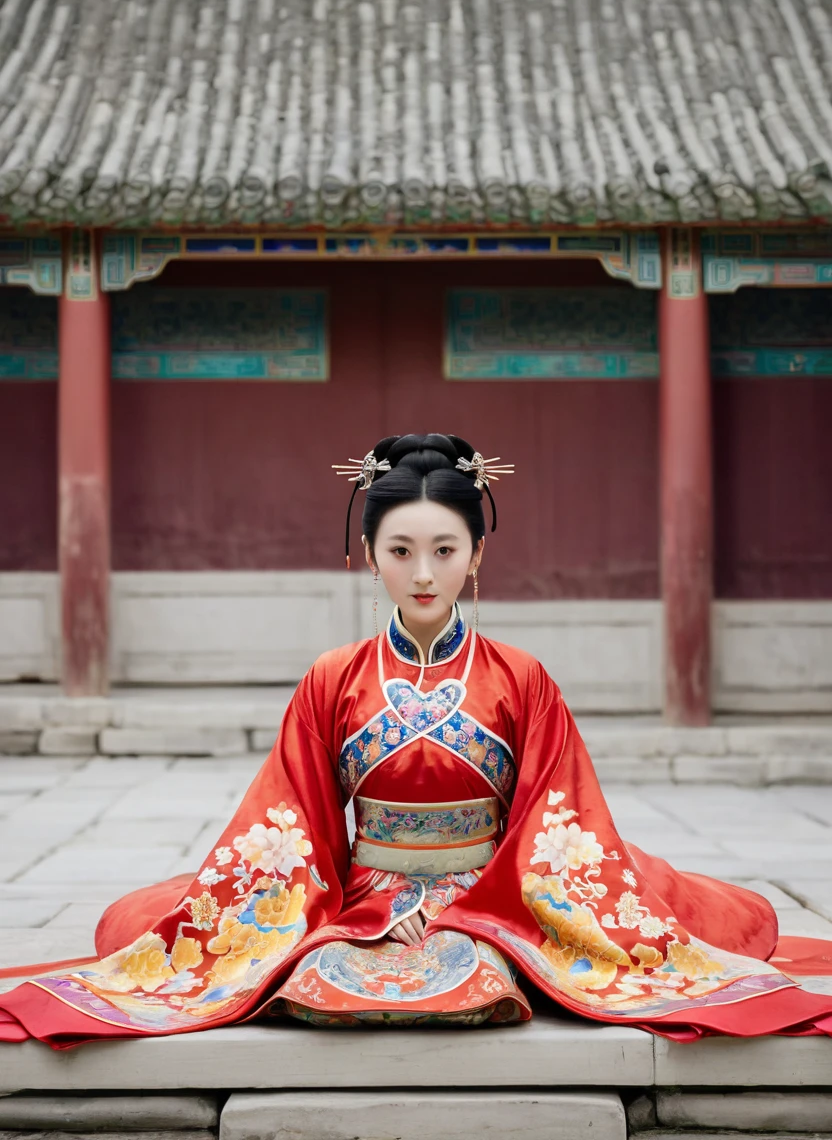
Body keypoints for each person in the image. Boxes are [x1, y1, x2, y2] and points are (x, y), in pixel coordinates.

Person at [2, 432, 831, 1047]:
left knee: (475, 979)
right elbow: (288, 825)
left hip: (497, 897)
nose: (424, 573)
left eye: (445, 550)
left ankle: (484, 943)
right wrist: (364, 910)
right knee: (323, 976)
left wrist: (475, 910)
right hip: (365, 899)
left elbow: (558, 823)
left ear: (476, 556)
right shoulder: (332, 676)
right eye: (401, 550)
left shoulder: (522, 677)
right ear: (370, 555)